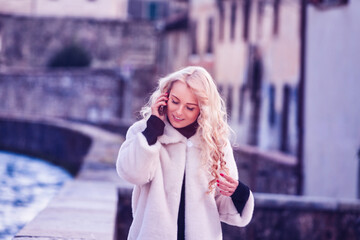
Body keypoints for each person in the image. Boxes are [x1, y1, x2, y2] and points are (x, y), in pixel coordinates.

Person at [116, 66, 254, 240]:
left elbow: (221, 205)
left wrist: (238, 193)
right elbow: (132, 174)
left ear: (202, 110)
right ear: (164, 97)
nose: (179, 112)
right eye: (175, 101)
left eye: (189, 107)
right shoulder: (144, 132)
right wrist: (152, 131)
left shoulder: (215, 142)